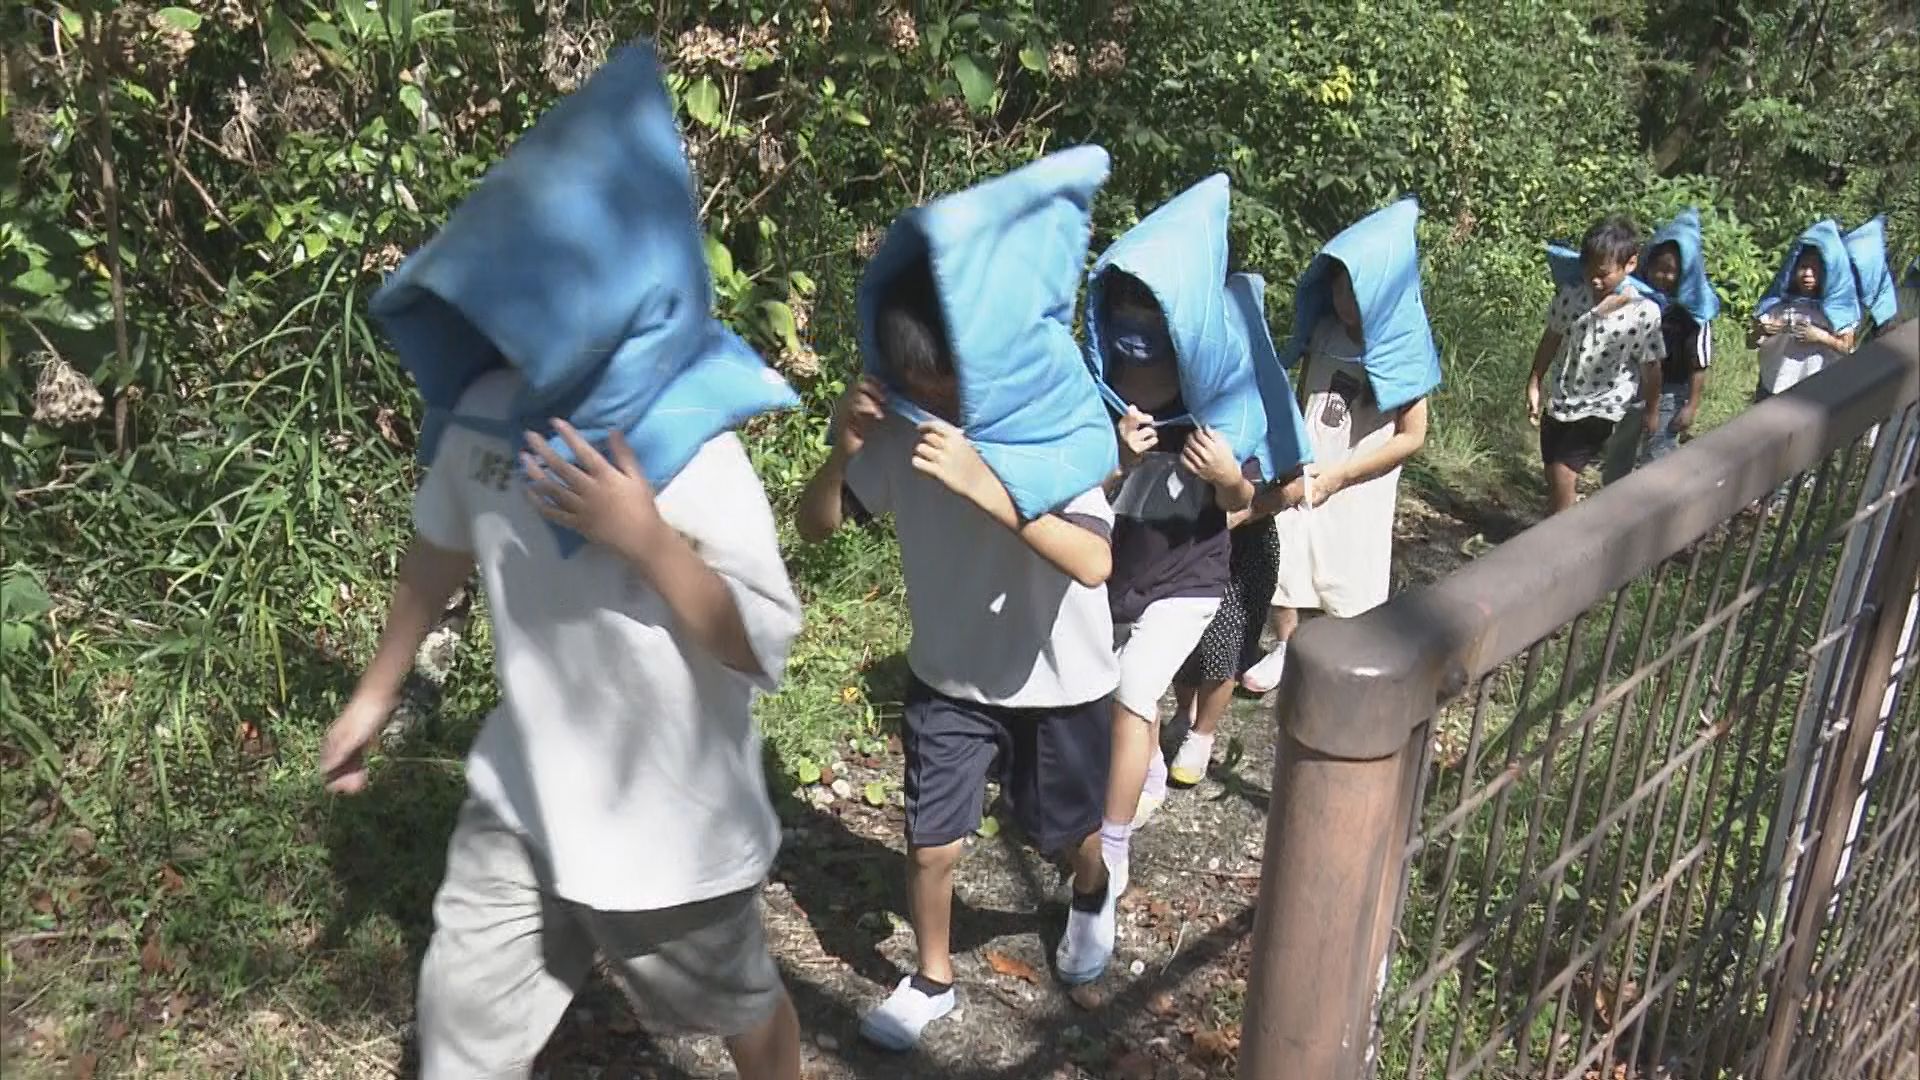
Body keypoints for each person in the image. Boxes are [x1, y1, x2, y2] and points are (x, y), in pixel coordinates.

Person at [322, 375, 805, 1080]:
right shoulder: (484, 409)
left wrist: (646, 539)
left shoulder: (691, 428)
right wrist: (375, 692)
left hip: (669, 833)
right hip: (521, 802)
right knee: (461, 1042)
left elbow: (756, 643)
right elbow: (440, 545)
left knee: (740, 1007)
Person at [798, 145, 1125, 1051]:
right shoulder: (900, 430)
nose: (937, 408)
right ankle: (933, 977)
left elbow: (1094, 565)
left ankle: (1093, 888)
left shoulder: (1045, 419)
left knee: (1062, 832)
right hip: (949, 676)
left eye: (949, 391)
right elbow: (819, 524)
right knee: (932, 842)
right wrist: (841, 447)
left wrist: (992, 489)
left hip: (1061, 682)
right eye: (921, 390)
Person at [1080, 174, 1272, 904]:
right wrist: (1119, 457)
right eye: (1124, 352)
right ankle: (1147, 766)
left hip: (1191, 578)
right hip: (1117, 573)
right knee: (1109, 701)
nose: (1138, 371)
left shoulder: (1220, 400)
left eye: (1151, 354)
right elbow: (1085, 495)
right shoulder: (1107, 404)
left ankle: (1113, 846)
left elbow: (1244, 498)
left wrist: (1226, 475)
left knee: (1131, 699)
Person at [1240, 198, 1441, 697]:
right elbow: (1306, 396)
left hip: (1360, 484)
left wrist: (1345, 475)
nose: (1340, 294)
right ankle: (1291, 650)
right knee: (1286, 563)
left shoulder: (1401, 346)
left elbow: (1412, 436)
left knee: (1348, 571)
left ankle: (1347, 665)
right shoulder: (1326, 330)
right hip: (1310, 470)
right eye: (1335, 281)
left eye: (1351, 285)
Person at [1526, 214, 1666, 515]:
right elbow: (1551, 336)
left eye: (1604, 273)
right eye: (1589, 270)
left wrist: (1652, 410)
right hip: (1563, 396)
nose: (1595, 279)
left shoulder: (1644, 311)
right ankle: (1563, 525)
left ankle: (1558, 544)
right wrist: (1535, 380)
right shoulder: (1572, 296)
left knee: (1564, 471)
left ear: (1630, 264)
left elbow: (1651, 365)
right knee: (1552, 472)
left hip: (1604, 403)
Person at [1602, 209, 1721, 481]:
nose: (1663, 277)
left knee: (1658, 454)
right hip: (1633, 385)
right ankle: (1610, 505)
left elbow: (1699, 363)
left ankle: (1649, 509)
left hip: (1671, 390)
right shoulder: (1637, 297)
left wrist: (1691, 405)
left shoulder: (1695, 313)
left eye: (1671, 272)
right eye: (1659, 269)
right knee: (1621, 448)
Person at [1749, 233, 1858, 403]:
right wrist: (1762, 330)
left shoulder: (1837, 312)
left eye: (1815, 269)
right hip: (1771, 385)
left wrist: (1820, 336)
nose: (1808, 274)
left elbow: (1847, 348)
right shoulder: (1778, 304)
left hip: (1812, 393)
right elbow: (1750, 342)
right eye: (1803, 267)